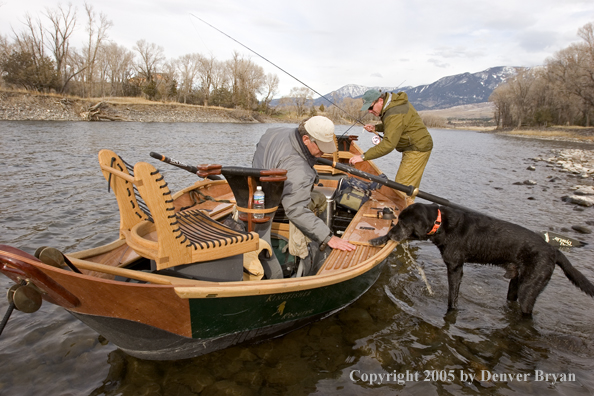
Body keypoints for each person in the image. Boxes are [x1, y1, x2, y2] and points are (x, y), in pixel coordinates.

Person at [252, 116, 356, 264]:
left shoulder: (274, 131)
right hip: (277, 205)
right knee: (320, 197)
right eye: (320, 147)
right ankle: (320, 245)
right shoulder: (301, 172)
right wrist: (329, 237)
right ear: (306, 139)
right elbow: (295, 210)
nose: (323, 153)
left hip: (256, 194)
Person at [349, 90, 433, 206]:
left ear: (380, 100)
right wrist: (376, 127)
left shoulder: (394, 112)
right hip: (413, 146)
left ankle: (402, 217)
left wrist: (363, 156)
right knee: (407, 188)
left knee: (401, 188)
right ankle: (407, 209)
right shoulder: (393, 105)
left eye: (371, 107)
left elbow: (388, 145)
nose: (370, 111)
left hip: (417, 148)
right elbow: (394, 125)